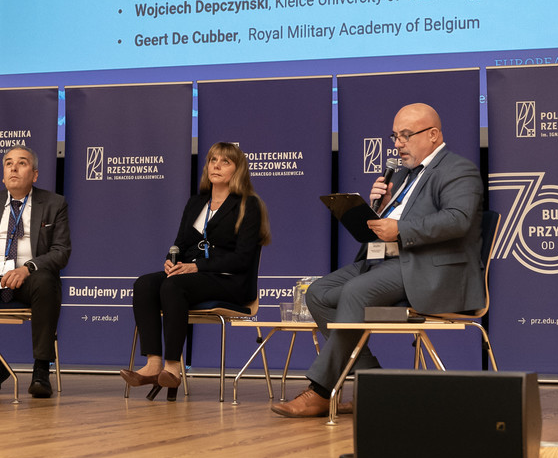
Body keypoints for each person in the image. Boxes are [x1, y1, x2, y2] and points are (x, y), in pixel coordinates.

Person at [271, 103, 483, 418]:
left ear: (433, 135)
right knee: (318, 293)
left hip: (425, 267)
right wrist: (380, 208)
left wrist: (401, 228)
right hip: (383, 259)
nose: (398, 144)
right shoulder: (402, 175)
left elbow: (458, 220)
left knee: (355, 292)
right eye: (395, 136)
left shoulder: (458, 169)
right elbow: (391, 221)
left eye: (406, 135)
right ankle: (373, 385)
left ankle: (320, 391)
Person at [123, 142, 270, 392]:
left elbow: (242, 259)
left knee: (174, 285)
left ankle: (173, 368)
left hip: (229, 280)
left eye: (225, 162)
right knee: (145, 284)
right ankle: (153, 364)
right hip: (191, 277)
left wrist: (196, 267)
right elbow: (180, 244)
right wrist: (171, 260)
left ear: (238, 170)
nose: (217, 166)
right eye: (213, 160)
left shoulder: (249, 204)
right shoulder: (196, 203)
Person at [0, 146, 71, 398]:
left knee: (46, 282)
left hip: (31, 278)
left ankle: (41, 370)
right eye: (8, 163)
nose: (13, 167)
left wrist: (27, 268)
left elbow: (61, 251)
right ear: (3, 175)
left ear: (35, 174)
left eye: (22, 163)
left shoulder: (54, 204)